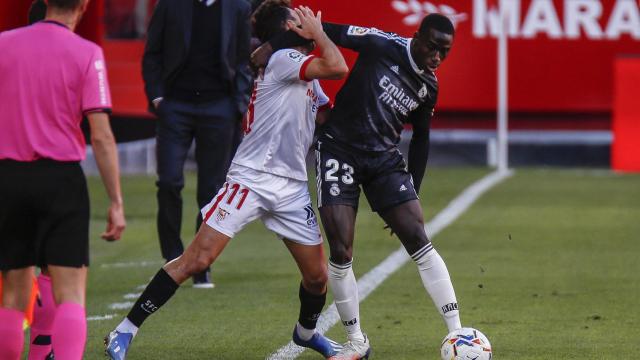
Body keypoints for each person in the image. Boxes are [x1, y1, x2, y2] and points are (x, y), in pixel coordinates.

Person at [105, 3, 348, 359]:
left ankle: (306, 333)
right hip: (251, 178)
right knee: (197, 259)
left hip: (292, 186)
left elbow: (323, 113)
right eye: (298, 19)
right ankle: (124, 330)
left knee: (316, 277)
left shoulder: (293, 67)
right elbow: (338, 66)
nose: (306, 22)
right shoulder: (283, 61)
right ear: (284, 29)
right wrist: (321, 33)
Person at [255, 13, 462, 359]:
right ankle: (355, 341)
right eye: (433, 46)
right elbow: (322, 32)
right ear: (417, 37)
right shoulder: (381, 43)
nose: (437, 56)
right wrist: (271, 46)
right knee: (341, 249)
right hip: (340, 149)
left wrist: (414, 187)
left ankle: (457, 333)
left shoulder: (429, 85)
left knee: (417, 235)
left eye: (445, 51)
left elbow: (421, 138)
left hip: (383, 159)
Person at [0, 0, 126, 358]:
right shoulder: (88, 53)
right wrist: (116, 202)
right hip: (60, 180)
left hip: (9, 177)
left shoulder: (4, 44)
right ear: (84, 5)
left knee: (11, 296)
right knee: (70, 292)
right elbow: (100, 136)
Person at [142, 0, 253, 288]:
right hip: (175, 105)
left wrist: (237, 105)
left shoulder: (238, 7)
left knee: (211, 189)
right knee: (168, 182)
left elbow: (243, 59)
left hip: (220, 106)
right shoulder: (170, 5)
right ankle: (173, 257)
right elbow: (152, 53)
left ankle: (200, 264)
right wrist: (157, 97)